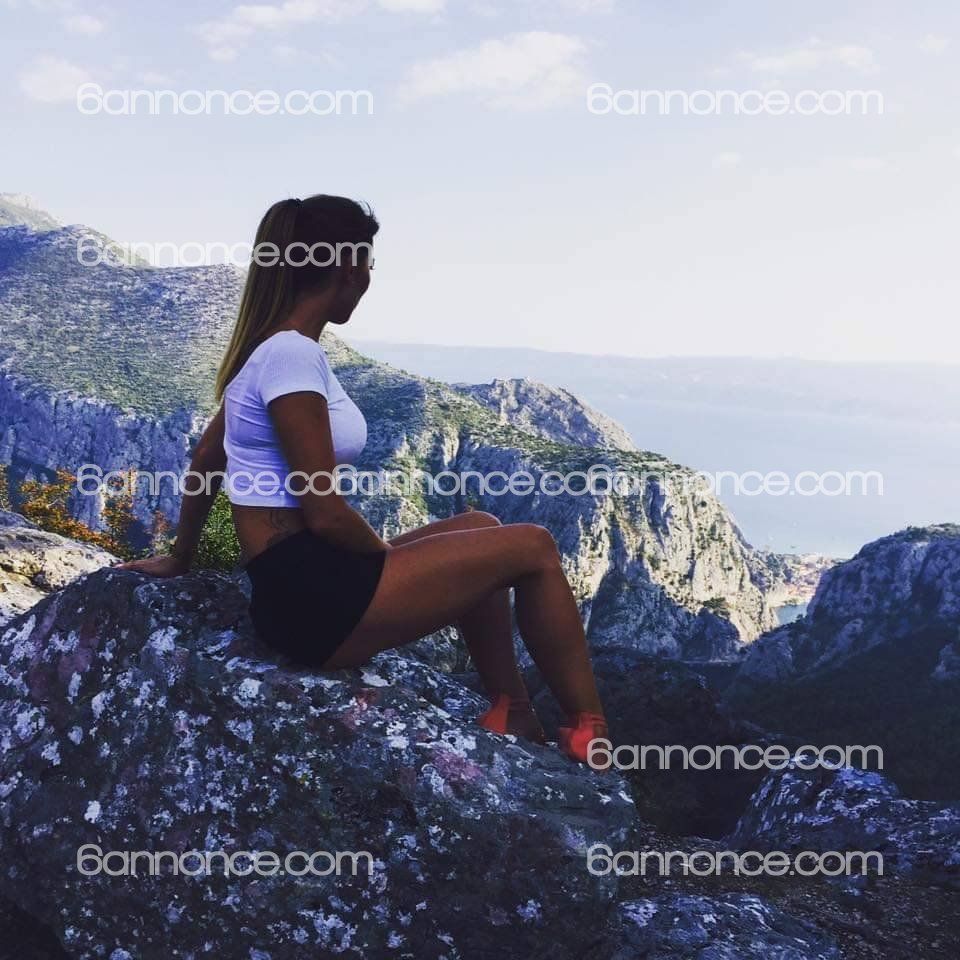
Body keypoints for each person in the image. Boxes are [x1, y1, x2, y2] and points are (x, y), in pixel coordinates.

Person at [120, 194, 607, 763]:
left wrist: (182, 556)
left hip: (295, 589)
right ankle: (590, 733)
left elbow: (207, 456)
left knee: (482, 525)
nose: (370, 278)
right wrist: (385, 560)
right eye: (370, 263)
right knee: (535, 547)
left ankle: (513, 710)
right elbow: (324, 511)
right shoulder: (292, 356)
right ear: (349, 267)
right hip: (315, 599)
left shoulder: (272, 350)